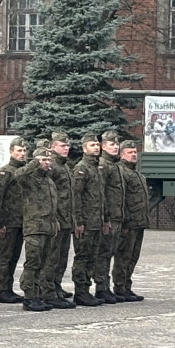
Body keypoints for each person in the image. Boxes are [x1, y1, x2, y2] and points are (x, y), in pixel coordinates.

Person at [17, 148, 59, 312]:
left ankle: (37, 295)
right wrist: (34, 162)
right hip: (34, 228)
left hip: (47, 227)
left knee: (43, 263)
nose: (46, 163)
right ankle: (29, 297)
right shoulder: (30, 179)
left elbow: (52, 205)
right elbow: (18, 175)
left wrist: (55, 221)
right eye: (43, 160)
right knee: (32, 263)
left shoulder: (48, 181)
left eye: (48, 160)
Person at [71, 133, 105, 307]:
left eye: (97, 144)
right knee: (82, 257)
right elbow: (75, 197)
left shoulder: (96, 169)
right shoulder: (81, 168)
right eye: (92, 145)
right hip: (85, 223)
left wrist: (104, 219)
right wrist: (78, 221)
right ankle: (80, 291)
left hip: (96, 222)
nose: (96, 147)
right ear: (84, 148)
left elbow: (100, 198)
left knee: (93, 257)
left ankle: (87, 289)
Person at [0, 138, 28, 304]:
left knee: (15, 257)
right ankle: (3, 289)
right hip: (8, 221)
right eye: (19, 151)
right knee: (5, 257)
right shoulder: (5, 172)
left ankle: (9, 288)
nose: (22, 154)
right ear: (11, 152)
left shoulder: (25, 171)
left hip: (21, 221)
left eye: (24, 151)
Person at [114, 140, 148, 301]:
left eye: (135, 152)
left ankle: (127, 286)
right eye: (130, 152)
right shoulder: (122, 172)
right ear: (122, 155)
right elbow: (121, 199)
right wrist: (125, 221)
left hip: (139, 222)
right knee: (124, 255)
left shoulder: (136, 173)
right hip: (128, 223)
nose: (134, 154)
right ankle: (119, 287)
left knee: (133, 256)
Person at [45, 132, 76, 305]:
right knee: (52, 258)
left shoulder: (64, 166)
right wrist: (53, 218)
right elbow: (49, 195)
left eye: (67, 146)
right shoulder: (53, 166)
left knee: (62, 257)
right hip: (56, 219)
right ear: (53, 147)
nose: (66, 148)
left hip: (66, 219)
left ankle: (56, 287)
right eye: (62, 146)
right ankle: (48, 292)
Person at [94, 130, 124, 304]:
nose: (115, 147)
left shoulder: (115, 165)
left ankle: (105, 287)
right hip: (109, 218)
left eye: (116, 144)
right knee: (103, 253)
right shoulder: (103, 166)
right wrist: (105, 218)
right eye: (112, 144)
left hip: (117, 216)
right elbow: (101, 193)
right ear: (104, 146)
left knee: (110, 252)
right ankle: (101, 287)